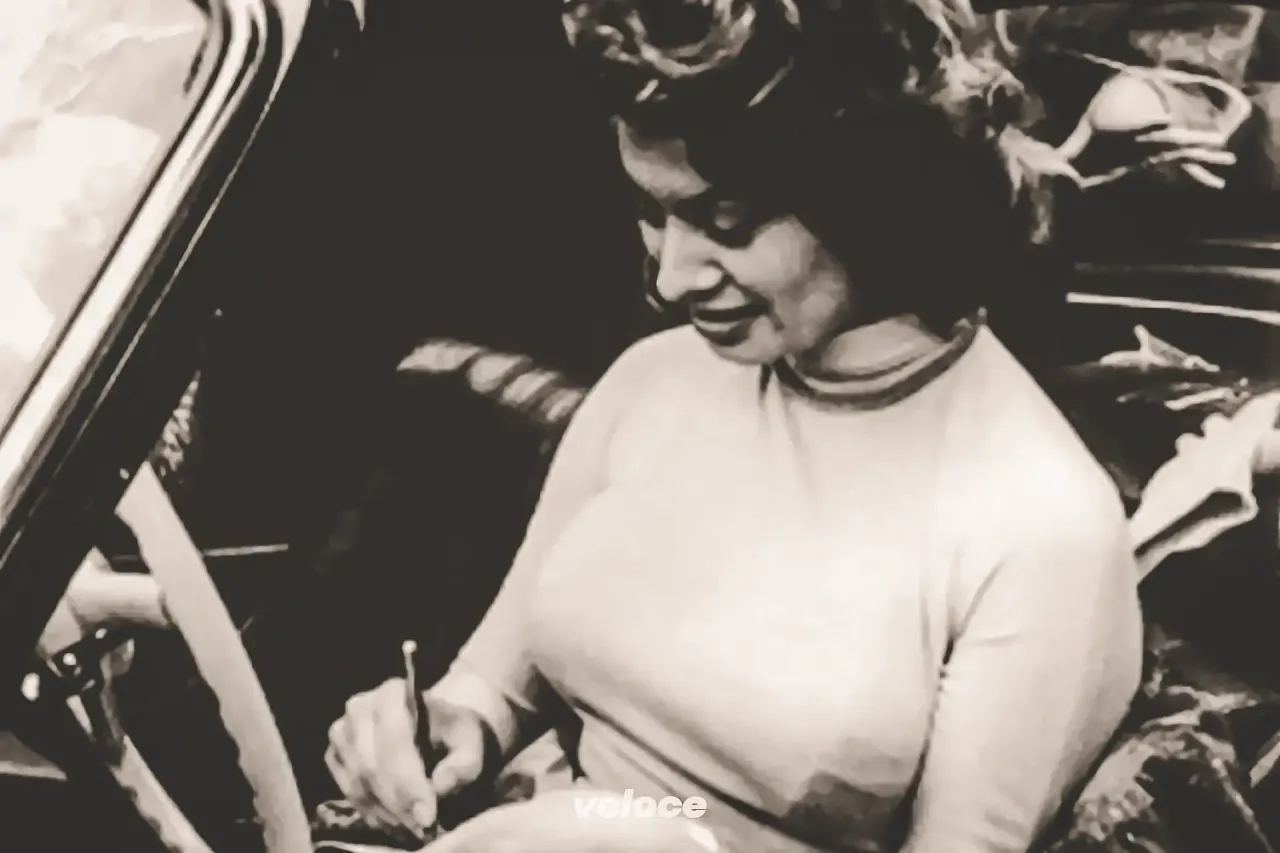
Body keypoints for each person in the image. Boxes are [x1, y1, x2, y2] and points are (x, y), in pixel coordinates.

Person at [324, 1, 1168, 851]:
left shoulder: (1042, 525)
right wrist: (439, 728)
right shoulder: (656, 377)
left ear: (876, 195)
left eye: (726, 222)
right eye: (651, 211)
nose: (672, 276)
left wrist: (638, 834)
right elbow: (489, 690)